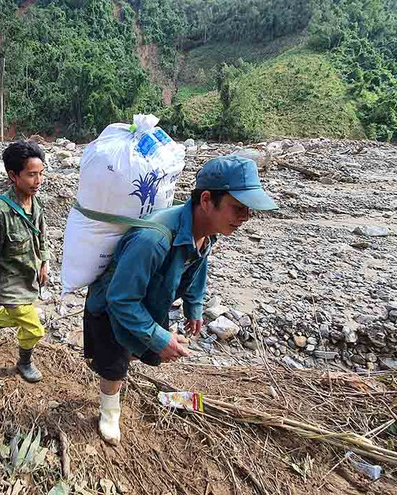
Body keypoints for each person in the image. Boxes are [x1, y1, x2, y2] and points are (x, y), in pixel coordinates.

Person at [83, 156, 277, 445]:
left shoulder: (207, 233)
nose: (245, 217)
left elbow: (198, 266)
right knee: (115, 361)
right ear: (208, 200)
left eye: (248, 210)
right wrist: (161, 338)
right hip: (112, 307)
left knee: (138, 351)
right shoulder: (154, 239)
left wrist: (194, 305)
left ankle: (119, 376)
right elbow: (121, 301)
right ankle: (109, 411)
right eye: (238, 208)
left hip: (149, 299)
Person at [0, 140, 49, 383]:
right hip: (9, 282)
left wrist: (43, 262)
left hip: (28, 276)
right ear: (13, 175)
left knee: (16, 315)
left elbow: (42, 233)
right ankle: (24, 362)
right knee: (34, 328)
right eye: (31, 175)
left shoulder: (35, 202)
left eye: (41, 174)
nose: (38, 181)